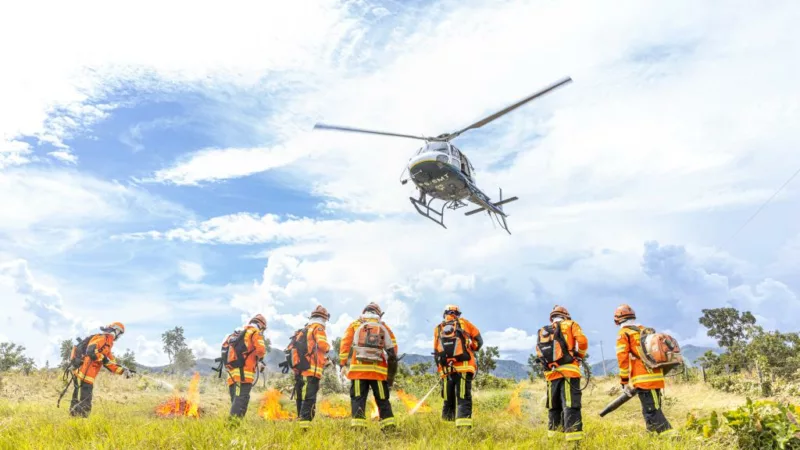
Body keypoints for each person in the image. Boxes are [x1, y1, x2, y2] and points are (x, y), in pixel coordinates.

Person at [615, 304, 677, 437]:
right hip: (656, 376)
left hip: (643, 379)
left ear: (617, 320)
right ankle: (652, 436)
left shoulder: (624, 333)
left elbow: (623, 358)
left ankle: (673, 438)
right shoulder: (645, 330)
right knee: (649, 409)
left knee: (653, 410)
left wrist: (624, 381)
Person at [339, 302, 398, 431]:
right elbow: (393, 349)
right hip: (378, 372)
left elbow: (345, 344)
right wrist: (390, 373)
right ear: (378, 313)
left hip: (358, 371)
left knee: (358, 399)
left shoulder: (355, 324)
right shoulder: (383, 326)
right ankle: (389, 429)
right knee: (382, 399)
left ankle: (358, 429)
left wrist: (342, 363)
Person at [540, 305, 588, 443]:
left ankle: (554, 441)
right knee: (571, 405)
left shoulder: (543, 331)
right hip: (569, 372)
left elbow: (540, 353)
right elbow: (583, 342)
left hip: (551, 375)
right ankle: (573, 443)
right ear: (566, 316)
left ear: (552, 317)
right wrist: (579, 356)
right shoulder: (571, 324)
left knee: (554, 407)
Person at [433, 304, 483, 429]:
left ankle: (446, 428)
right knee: (463, 398)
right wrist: (471, 347)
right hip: (464, 369)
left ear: (445, 314)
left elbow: (436, 351)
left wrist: (441, 370)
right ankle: (464, 430)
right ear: (458, 314)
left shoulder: (438, 328)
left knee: (448, 400)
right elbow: (479, 341)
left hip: (446, 371)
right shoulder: (465, 323)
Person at [69, 322, 134, 417]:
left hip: (88, 376)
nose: (119, 337)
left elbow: (111, 363)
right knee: (84, 403)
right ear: (116, 330)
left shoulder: (108, 344)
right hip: (83, 374)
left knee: (83, 401)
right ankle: (78, 422)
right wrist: (103, 358)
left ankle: (75, 419)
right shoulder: (102, 338)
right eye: (120, 333)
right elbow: (91, 351)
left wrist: (123, 371)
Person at [294, 305, 331, 429]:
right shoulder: (318, 328)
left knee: (305, 395)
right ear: (323, 318)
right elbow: (322, 345)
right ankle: (305, 424)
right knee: (310, 397)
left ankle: (301, 418)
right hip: (313, 369)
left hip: (303, 367)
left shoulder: (306, 329)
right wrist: (328, 347)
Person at [226, 314, 268, 420]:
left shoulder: (238, 334)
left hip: (232, 373)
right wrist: (259, 359)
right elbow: (261, 350)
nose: (262, 331)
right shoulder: (254, 332)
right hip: (244, 372)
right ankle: (232, 426)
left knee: (236, 399)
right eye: (263, 328)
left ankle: (236, 424)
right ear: (260, 325)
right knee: (241, 398)